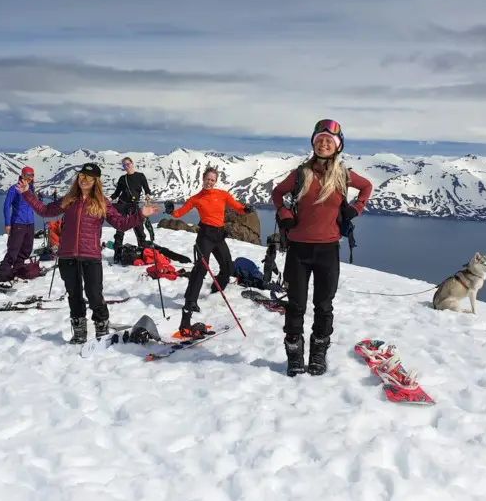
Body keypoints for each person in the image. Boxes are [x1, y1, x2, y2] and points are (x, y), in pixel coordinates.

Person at [272, 119, 373, 376]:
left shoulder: (343, 174)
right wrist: (284, 212)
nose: (324, 143)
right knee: (296, 305)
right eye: (320, 140)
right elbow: (276, 193)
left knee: (324, 305)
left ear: (338, 146)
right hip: (298, 249)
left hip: (327, 250)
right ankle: (294, 355)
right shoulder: (300, 174)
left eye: (329, 140)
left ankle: (318, 354)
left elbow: (367, 187)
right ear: (313, 143)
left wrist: (356, 209)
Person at [18, 163, 159, 344]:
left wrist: (141, 214)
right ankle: (79, 333)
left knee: (94, 295)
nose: (84, 180)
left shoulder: (102, 203)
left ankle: (102, 331)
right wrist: (27, 193)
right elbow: (45, 211)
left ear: (95, 181)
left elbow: (121, 224)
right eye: (82, 176)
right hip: (67, 255)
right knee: (74, 295)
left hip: (91, 256)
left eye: (89, 177)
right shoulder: (69, 199)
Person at [164, 166, 252, 337]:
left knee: (227, 266)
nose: (210, 182)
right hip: (205, 236)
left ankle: (215, 290)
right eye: (208, 179)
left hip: (219, 235)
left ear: (215, 181)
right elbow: (179, 213)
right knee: (201, 268)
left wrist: (246, 209)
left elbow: (238, 207)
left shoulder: (223, 194)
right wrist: (171, 211)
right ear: (203, 179)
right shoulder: (196, 198)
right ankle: (190, 302)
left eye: (213, 180)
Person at [0, 166, 37, 282]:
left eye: (31, 175)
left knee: (27, 249)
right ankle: (3, 275)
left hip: (30, 223)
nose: (29, 178)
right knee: (13, 250)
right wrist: (7, 223)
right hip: (18, 223)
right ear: (22, 175)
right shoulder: (14, 189)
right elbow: (6, 206)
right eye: (27, 175)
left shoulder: (32, 189)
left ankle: (19, 269)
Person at [110, 157, 153, 263]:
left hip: (134, 206)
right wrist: (108, 200)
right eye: (124, 165)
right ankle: (117, 254)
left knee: (140, 230)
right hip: (122, 205)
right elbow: (116, 194)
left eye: (128, 164)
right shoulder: (122, 179)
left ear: (132, 163)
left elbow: (147, 189)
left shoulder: (140, 176)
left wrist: (148, 197)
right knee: (120, 231)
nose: (126, 166)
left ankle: (144, 253)